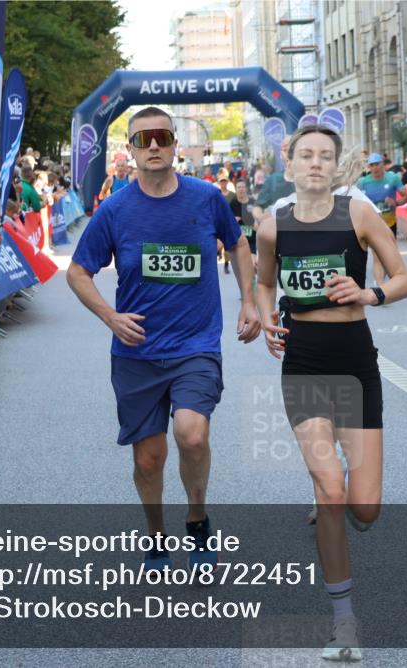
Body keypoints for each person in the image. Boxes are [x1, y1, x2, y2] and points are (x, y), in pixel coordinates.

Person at [67, 106, 261, 573]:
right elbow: (78, 272)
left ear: (175, 145)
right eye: (142, 139)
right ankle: (156, 537)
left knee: (192, 435)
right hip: (136, 352)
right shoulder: (114, 210)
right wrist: (110, 317)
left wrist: (248, 301)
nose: (153, 145)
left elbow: (236, 242)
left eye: (162, 137)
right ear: (130, 151)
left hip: (195, 344)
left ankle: (197, 521)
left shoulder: (206, 198)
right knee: (149, 458)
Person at [255, 125, 407, 661]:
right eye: (307, 155)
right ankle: (343, 620)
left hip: (353, 364)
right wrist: (267, 314)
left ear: (337, 165)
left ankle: (339, 504)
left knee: (364, 508)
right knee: (330, 487)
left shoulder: (360, 216)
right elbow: (263, 280)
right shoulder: (272, 225)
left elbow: (403, 278)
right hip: (302, 363)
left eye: (325, 156)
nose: (316, 164)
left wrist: (368, 292)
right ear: (290, 163)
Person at [356, 153, 407, 284]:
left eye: (377, 164)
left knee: (390, 254)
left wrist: (396, 203)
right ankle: (380, 286)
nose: (375, 168)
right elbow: (354, 202)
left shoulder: (393, 178)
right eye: (372, 165)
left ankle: (382, 279)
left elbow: (406, 196)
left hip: (390, 222)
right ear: (369, 167)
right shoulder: (363, 182)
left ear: (383, 164)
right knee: (377, 255)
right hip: (372, 224)